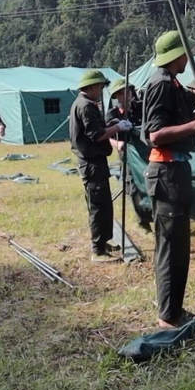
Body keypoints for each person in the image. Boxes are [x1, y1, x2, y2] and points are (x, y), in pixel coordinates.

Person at [142, 30, 195, 328]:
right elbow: (155, 134)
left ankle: (175, 311)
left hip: (176, 172)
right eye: (186, 54)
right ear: (178, 55)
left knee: (179, 248)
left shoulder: (173, 83)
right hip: (165, 173)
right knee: (169, 249)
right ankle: (168, 317)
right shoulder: (160, 84)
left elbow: (190, 97)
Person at [69, 70, 129, 263]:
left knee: (104, 204)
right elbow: (96, 135)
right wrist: (117, 128)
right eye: (101, 87)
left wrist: (111, 123)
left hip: (95, 162)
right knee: (98, 207)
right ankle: (98, 250)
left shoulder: (83, 103)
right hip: (91, 163)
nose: (101, 91)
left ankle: (103, 241)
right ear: (92, 86)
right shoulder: (86, 105)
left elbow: (96, 128)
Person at [107, 77, 152, 232]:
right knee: (133, 187)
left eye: (126, 91)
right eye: (119, 94)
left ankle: (153, 214)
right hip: (128, 156)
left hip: (146, 153)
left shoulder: (141, 108)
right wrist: (117, 144)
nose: (124, 96)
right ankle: (143, 221)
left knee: (151, 183)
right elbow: (105, 137)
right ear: (115, 97)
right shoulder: (112, 115)